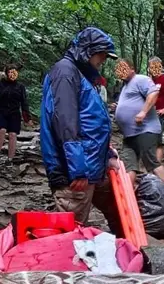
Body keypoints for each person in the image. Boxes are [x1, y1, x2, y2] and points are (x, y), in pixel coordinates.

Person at [40, 27, 123, 236]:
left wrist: (107, 154)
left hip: (89, 167)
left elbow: (89, 121)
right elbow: (65, 122)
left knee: (113, 211)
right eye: (101, 54)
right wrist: (77, 168)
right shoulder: (66, 73)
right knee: (71, 235)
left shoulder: (79, 75)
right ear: (88, 51)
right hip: (75, 173)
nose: (103, 60)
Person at [112, 59, 164, 186]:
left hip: (145, 130)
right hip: (129, 135)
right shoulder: (125, 86)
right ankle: (129, 197)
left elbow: (153, 93)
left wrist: (143, 112)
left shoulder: (140, 79)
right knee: (128, 165)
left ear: (132, 69)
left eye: (124, 68)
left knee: (151, 161)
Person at [0, 64, 30, 164]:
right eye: (10, 72)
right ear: (6, 73)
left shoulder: (20, 87)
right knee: (1, 130)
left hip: (14, 113)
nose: (12, 74)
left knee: (13, 134)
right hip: (0, 111)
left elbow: (24, 102)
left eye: (14, 72)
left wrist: (27, 118)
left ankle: (10, 159)